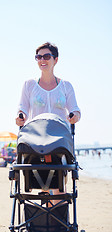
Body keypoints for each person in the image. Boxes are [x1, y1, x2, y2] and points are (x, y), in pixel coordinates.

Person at [15, 42, 81, 202]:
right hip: (35, 140)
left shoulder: (65, 86)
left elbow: (76, 111)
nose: (42, 60)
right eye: (38, 57)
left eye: (46, 56)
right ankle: (40, 221)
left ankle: (56, 222)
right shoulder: (29, 85)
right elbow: (22, 108)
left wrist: (74, 116)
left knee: (58, 185)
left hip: (59, 140)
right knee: (37, 181)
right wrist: (20, 116)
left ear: (55, 60)